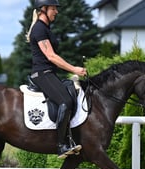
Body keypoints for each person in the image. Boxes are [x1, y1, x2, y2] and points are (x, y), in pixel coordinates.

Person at [26, 0, 87, 159]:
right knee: (65, 101)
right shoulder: (39, 29)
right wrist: (74, 69)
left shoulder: (45, 28)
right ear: (43, 9)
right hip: (42, 74)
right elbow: (51, 56)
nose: (56, 12)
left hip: (49, 73)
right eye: (53, 8)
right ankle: (61, 145)